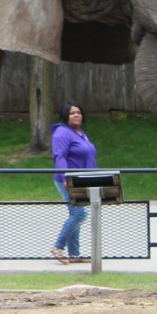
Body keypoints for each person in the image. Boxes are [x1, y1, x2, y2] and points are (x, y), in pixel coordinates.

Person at [50, 100, 97, 264]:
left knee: (75, 214)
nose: (76, 115)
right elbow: (59, 156)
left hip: (82, 180)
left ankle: (74, 254)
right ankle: (57, 246)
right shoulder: (62, 133)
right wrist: (64, 177)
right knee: (79, 213)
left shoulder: (79, 133)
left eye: (79, 112)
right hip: (68, 180)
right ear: (65, 116)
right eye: (72, 113)